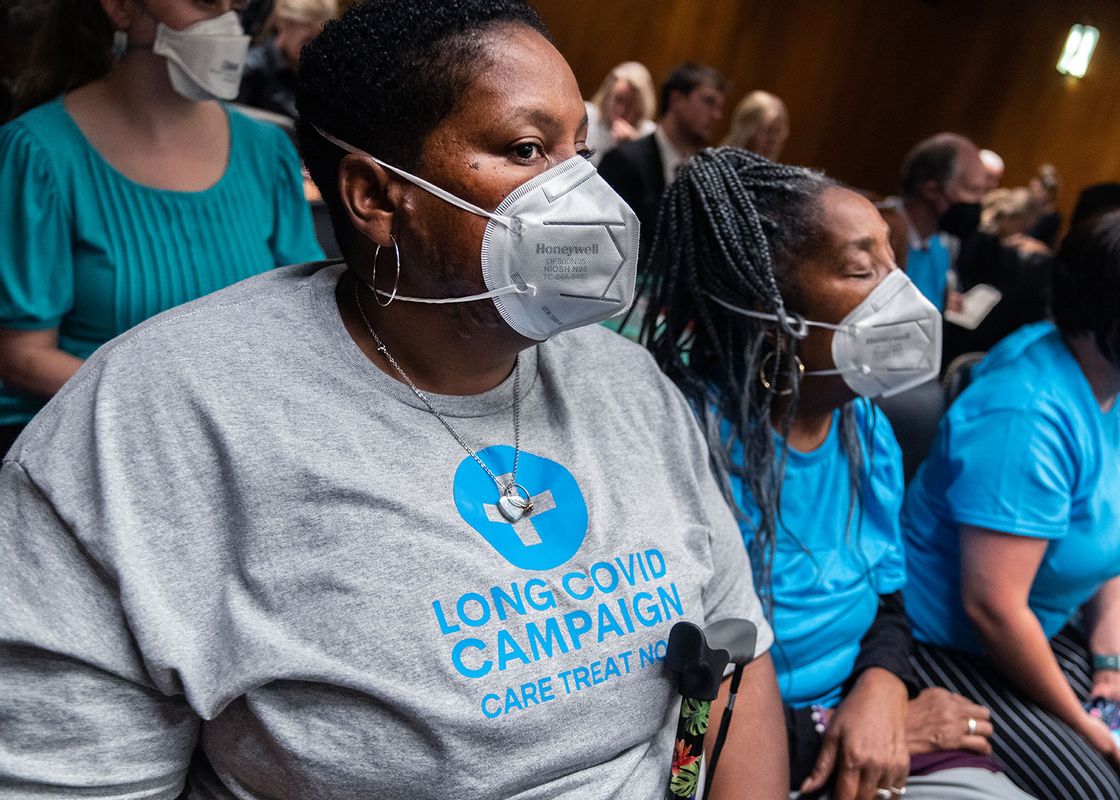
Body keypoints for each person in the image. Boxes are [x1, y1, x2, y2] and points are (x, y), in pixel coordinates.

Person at [0, 2, 789, 798]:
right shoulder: (153, 422)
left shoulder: (631, 386)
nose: (581, 195)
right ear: (377, 197)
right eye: (525, 150)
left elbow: (734, 657)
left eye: (577, 153)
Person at [641, 147, 1035, 800]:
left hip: (860, 717)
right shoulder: (681, 445)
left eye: (893, 264)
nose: (899, 294)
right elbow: (678, 733)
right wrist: (836, 729)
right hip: (745, 760)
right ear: (767, 307)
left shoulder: (864, 427)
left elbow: (887, 597)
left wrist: (881, 688)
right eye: (862, 270)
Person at [902, 207, 1120, 800]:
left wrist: (1115, 670)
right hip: (945, 642)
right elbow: (993, 608)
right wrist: (1078, 720)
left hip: (1038, 620)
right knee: (1097, 784)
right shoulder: (1027, 411)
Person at [0, 0, 324, 456]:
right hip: (91, 451)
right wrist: (186, 412)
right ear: (121, 9)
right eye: (207, 2)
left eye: (239, 5)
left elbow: (305, 320)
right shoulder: (39, 153)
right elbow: (22, 357)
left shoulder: (265, 150)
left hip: (240, 449)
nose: (229, 24)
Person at [598, 61, 725, 267]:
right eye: (708, 102)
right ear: (676, 99)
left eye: (720, 107)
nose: (717, 115)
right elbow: (605, 246)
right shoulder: (624, 160)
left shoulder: (706, 176)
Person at [889, 132, 988, 314]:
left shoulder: (940, 249)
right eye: (973, 190)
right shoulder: (880, 237)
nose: (979, 202)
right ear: (932, 191)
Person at [237, 0, 339, 120]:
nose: (315, 50)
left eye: (323, 42)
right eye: (307, 40)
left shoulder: (324, 77)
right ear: (283, 24)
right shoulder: (250, 71)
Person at [583, 60, 656, 163]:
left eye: (630, 104)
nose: (621, 110)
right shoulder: (587, 115)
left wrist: (634, 148)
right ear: (608, 95)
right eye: (618, 100)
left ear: (641, 106)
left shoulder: (648, 134)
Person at [722, 90, 789, 161]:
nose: (773, 141)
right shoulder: (718, 164)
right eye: (768, 131)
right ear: (745, 130)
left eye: (778, 132)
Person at [1026, 164, 1061, 247]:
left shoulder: (1052, 217)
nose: (1034, 193)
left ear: (1050, 194)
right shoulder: (1027, 209)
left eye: (1040, 191)